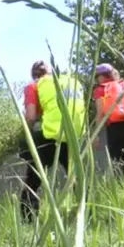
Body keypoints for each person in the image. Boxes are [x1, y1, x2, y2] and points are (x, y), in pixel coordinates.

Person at [19, 61, 85, 222]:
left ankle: (28, 219)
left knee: (34, 178)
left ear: (34, 75)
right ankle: (87, 214)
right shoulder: (72, 81)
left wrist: (24, 133)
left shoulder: (34, 86)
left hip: (49, 136)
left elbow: (31, 116)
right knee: (76, 178)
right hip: (73, 135)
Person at [92, 63, 124, 175]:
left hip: (115, 128)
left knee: (119, 162)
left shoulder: (101, 89)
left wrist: (96, 135)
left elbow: (100, 114)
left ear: (101, 77)